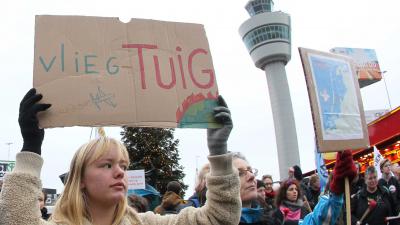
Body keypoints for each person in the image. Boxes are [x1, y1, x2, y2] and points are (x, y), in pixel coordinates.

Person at [0, 89, 241, 225]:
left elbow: (218, 219)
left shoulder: (146, 223)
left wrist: (219, 151)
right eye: (106, 165)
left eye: (123, 166)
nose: (119, 173)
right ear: (80, 178)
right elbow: (15, 219)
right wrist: (31, 146)